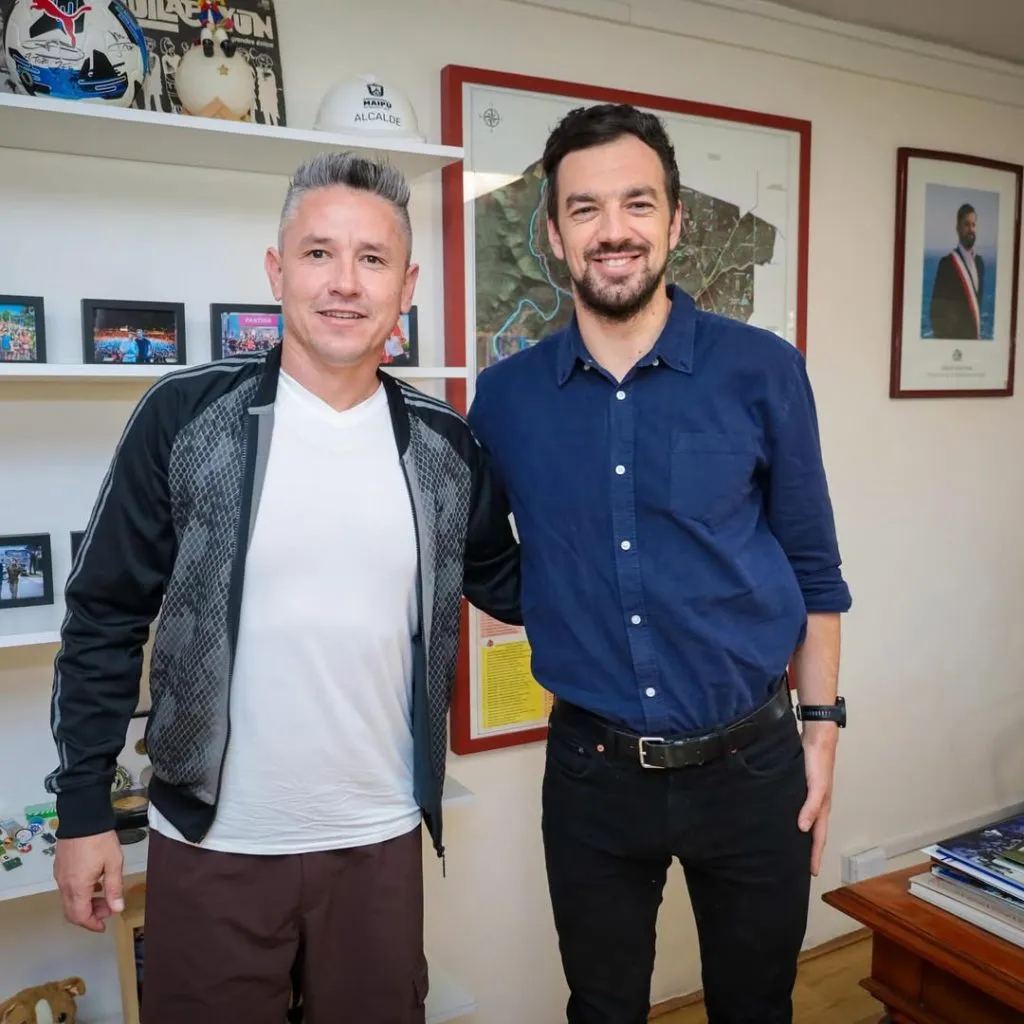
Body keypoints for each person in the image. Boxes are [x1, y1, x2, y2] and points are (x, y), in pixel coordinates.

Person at [45, 151, 521, 1024]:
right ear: (276, 271)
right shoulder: (185, 416)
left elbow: (516, 584)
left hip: (378, 840)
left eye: (372, 258)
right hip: (212, 842)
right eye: (318, 253)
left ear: (406, 285)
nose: (345, 282)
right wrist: (82, 810)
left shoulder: (445, 446)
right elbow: (104, 616)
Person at [467, 103, 852, 1024]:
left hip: (753, 765)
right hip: (593, 777)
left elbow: (812, 566)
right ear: (554, 235)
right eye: (586, 208)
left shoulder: (763, 370)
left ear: (675, 222)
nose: (614, 230)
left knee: (756, 1008)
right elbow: (482, 556)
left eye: (637, 204)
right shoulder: (507, 398)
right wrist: (566, 600)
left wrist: (823, 729)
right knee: (602, 1011)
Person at [929, 201, 984, 340]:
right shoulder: (947, 264)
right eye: (966, 224)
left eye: (973, 225)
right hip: (954, 344)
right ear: (958, 228)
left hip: (974, 345)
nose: (971, 229)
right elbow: (936, 313)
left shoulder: (980, 263)